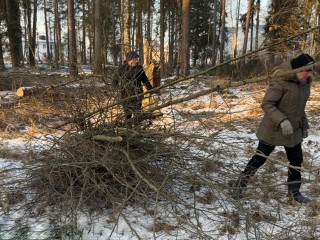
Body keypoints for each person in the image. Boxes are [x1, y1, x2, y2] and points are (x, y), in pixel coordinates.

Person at [233, 53, 315, 203]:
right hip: (273, 128)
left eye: (311, 70)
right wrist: (282, 120)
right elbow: (267, 104)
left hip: (293, 130)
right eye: (307, 70)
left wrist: (304, 126)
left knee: (296, 160)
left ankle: (294, 192)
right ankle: (240, 184)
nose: (309, 74)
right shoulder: (281, 81)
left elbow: (300, 108)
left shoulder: (305, 85)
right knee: (259, 158)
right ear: (296, 69)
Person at [115, 51, 154, 121]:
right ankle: (129, 130)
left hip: (137, 95)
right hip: (125, 96)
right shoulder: (122, 68)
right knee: (128, 115)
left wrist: (151, 90)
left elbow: (145, 80)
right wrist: (117, 89)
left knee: (138, 115)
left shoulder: (139, 68)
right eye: (134, 59)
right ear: (129, 59)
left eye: (136, 59)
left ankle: (137, 129)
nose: (136, 61)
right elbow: (115, 80)